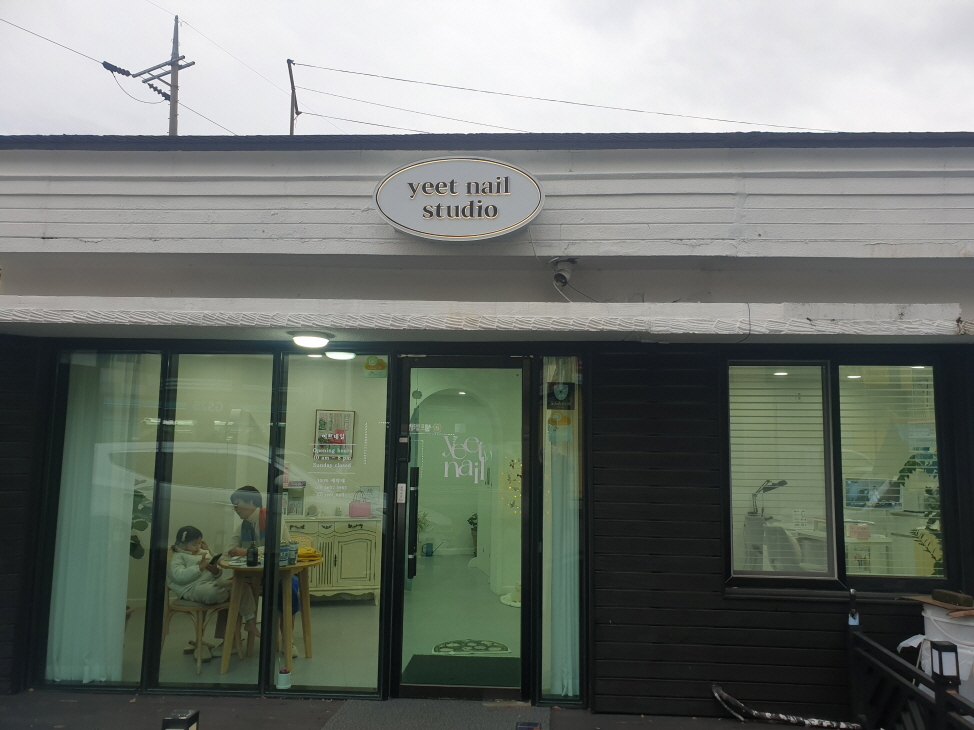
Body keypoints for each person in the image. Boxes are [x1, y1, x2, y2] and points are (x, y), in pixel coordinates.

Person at [225, 486, 300, 657]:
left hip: (279, 572)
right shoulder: (242, 526)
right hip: (254, 575)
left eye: (237, 504)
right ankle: (230, 641)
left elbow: (276, 547)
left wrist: (247, 551)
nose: (235, 509)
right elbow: (229, 549)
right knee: (231, 587)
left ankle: (287, 639)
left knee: (288, 587)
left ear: (251, 502)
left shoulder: (274, 518)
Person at [167, 525, 258, 659]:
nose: (198, 547)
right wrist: (199, 567)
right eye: (194, 544)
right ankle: (226, 594)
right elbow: (179, 577)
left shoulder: (202, 553)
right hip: (191, 588)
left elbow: (215, 573)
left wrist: (215, 570)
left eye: (199, 543)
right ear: (181, 545)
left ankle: (250, 620)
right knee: (211, 593)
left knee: (242, 586)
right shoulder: (178, 557)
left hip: (211, 584)